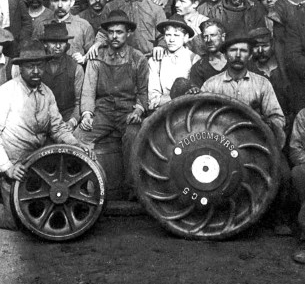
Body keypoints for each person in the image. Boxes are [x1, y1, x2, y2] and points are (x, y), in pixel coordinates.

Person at [0, 44, 89, 230]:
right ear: (20, 68)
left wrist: (75, 143)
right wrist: (7, 168)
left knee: (43, 216)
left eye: (40, 66)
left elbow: (57, 128)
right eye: (29, 67)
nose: (35, 71)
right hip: (12, 165)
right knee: (17, 222)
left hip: (37, 165)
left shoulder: (46, 93)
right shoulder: (5, 93)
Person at [77, 10, 150, 199]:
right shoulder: (97, 56)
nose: (115, 36)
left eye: (119, 32)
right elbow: (88, 90)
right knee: (78, 137)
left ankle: (133, 189)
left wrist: (139, 109)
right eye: (111, 32)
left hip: (127, 111)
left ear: (128, 33)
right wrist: (86, 114)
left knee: (134, 137)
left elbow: (143, 92)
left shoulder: (138, 58)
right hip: (103, 111)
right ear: (106, 34)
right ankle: (83, 187)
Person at [201, 32, 286, 140]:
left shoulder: (262, 84)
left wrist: (268, 124)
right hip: (220, 142)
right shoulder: (210, 85)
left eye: (243, 51)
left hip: (253, 142)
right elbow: (201, 118)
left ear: (250, 56)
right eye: (233, 50)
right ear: (225, 55)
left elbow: (278, 118)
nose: (238, 55)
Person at [39, 22, 85, 128]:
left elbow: (79, 102)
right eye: (53, 42)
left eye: (62, 42)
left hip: (66, 117)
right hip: (42, 117)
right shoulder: (37, 67)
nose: (58, 46)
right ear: (45, 44)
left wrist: (72, 122)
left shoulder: (75, 68)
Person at [148, 15, 198, 110]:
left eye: (176, 35)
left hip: (188, 109)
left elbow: (196, 94)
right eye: (168, 35)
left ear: (186, 37)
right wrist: (178, 97)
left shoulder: (194, 59)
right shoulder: (156, 60)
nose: (171, 39)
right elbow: (153, 99)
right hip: (163, 111)